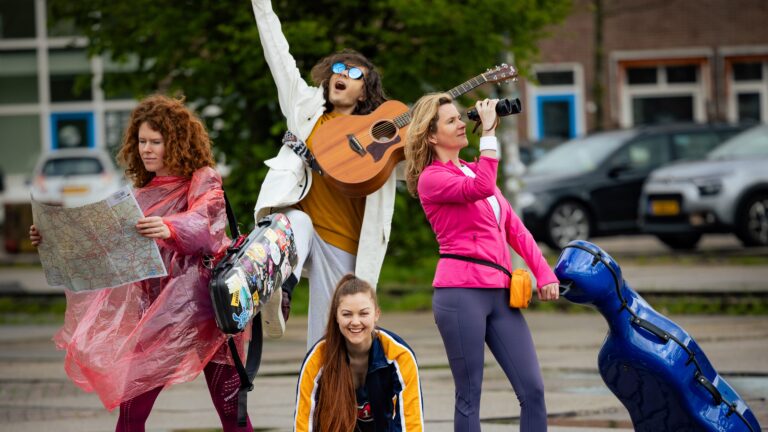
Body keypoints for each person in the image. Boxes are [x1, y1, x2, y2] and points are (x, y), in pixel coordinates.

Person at [29, 95, 252, 432]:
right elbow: (104, 241)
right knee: (132, 413)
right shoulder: (142, 191)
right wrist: (51, 238)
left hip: (208, 311)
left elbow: (206, 221)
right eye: (142, 141)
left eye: (156, 142)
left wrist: (171, 227)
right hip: (160, 314)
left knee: (231, 413)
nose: (147, 149)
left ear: (175, 142)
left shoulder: (202, 178)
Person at [404, 93, 561, 432]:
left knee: (532, 389)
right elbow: (483, 186)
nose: (462, 123)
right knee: (470, 395)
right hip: (460, 293)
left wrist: (544, 273)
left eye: (462, 118)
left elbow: (515, 229)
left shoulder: (474, 170)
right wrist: (488, 133)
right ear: (431, 136)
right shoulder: (432, 179)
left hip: (500, 292)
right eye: (451, 121)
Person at [250, 0, 397, 348]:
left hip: (344, 245)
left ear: (365, 92)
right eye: (340, 69)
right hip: (301, 227)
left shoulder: (380, 133)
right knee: (295, 223)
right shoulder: (303, 106)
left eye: (355, 73)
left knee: (327, 343)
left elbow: (413, 170)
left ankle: (323, 402)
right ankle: (278, 286)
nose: (343, 75)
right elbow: (278, 54)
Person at [294, 274, 424, 432]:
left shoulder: (399, 355)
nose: (355, 322)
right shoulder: (318, 358)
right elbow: (303, 423)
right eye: (347, 314)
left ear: (376, 314)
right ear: (336, 316)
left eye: (363, 313)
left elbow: (411, 424)